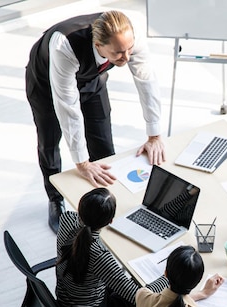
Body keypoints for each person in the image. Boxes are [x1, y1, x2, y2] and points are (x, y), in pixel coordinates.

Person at [25, 10, 165, 234]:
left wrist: (154, 136)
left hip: (92, 79)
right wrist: (82, 163)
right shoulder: (65, 45)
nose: (127, 57)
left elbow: (146, 81)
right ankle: (55, 199)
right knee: (49, 140)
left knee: (103, 142)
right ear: (98, 44)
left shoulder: (130, 34)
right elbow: (68, 108)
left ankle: (104, 202)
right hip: (46, 85)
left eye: (129, 50)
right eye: (119, 53)